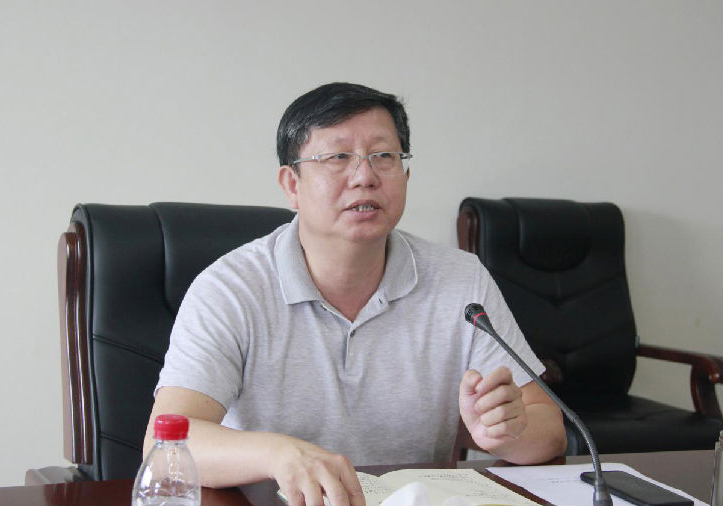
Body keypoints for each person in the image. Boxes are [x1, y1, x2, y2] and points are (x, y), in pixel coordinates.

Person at [145, 82, 566, 506]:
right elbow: (165, 449)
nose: (364, 176)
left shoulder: (461, 281)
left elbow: (549, 429)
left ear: (405, 175)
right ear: (291, 184)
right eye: (337, 157)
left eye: (383, 156)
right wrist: (279, 454)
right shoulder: (231, 289)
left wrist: (506, 433)